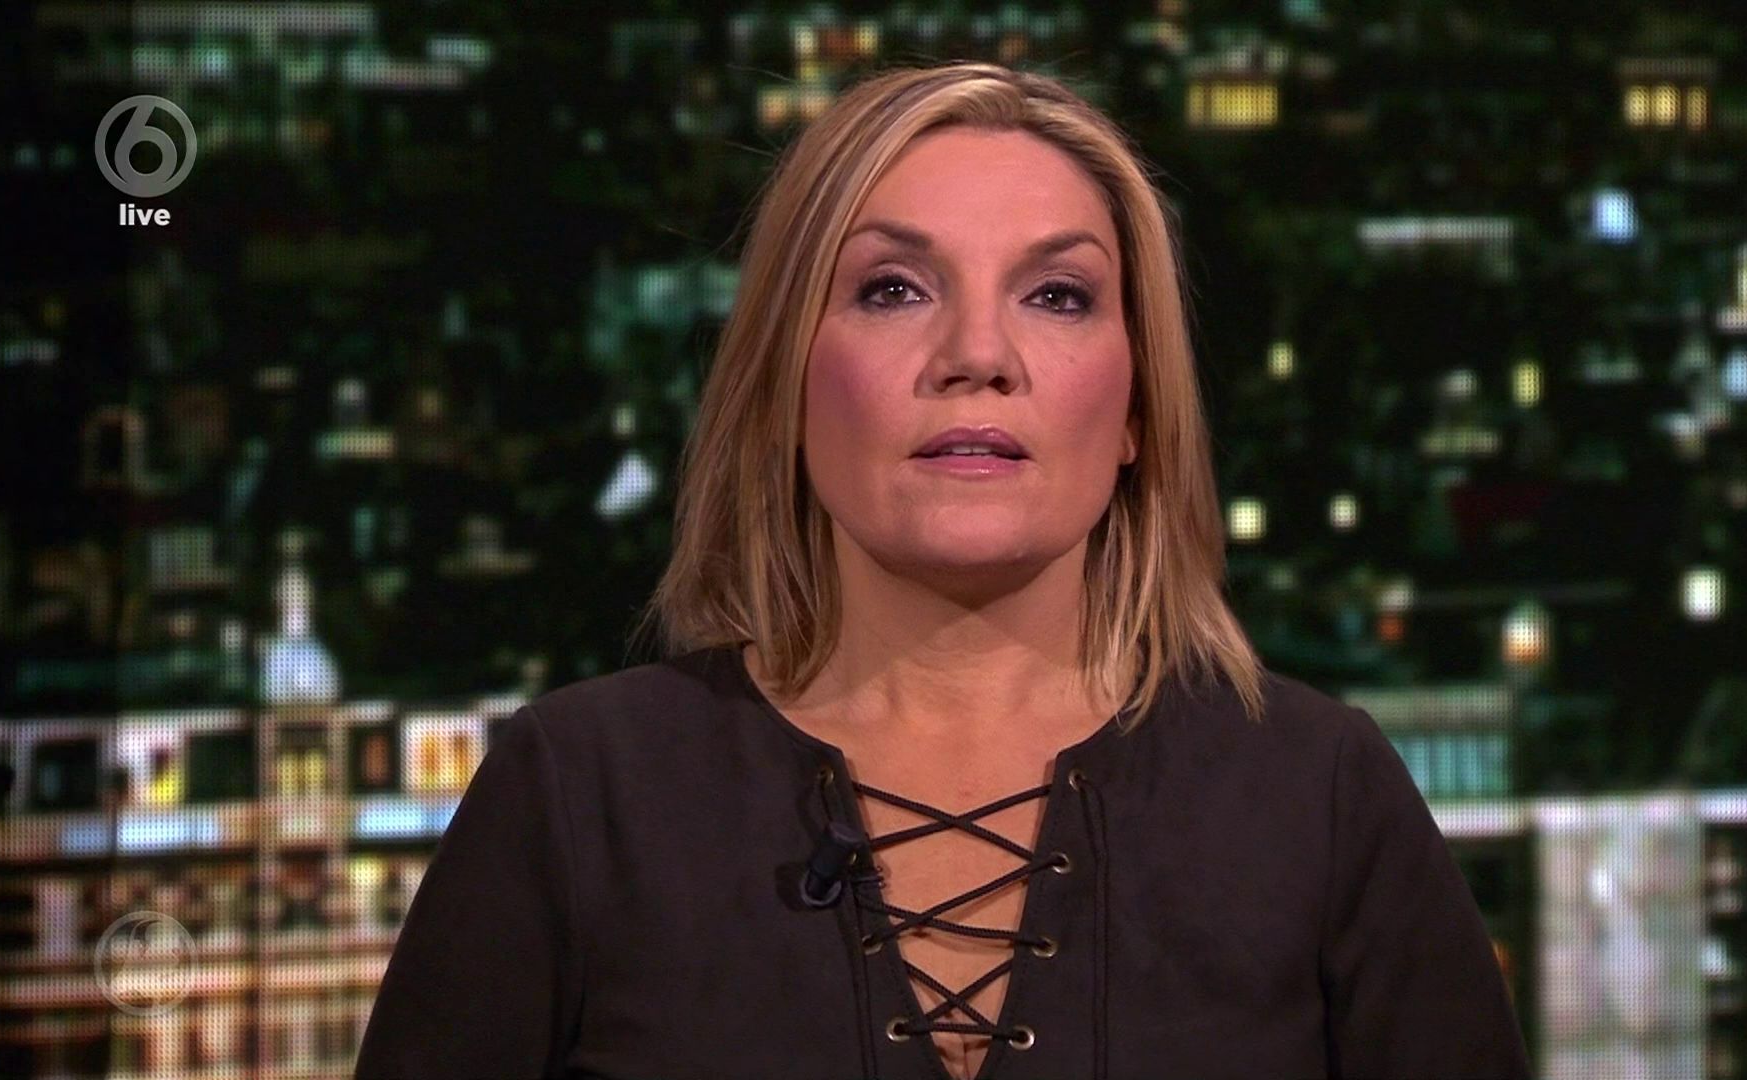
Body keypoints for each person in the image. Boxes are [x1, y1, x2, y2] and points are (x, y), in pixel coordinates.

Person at [353, 60, 1534, 1080]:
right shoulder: (574, 795)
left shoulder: (1323, 799)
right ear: (784, 385)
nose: (977, 354)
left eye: (1058, 295)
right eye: (893, 290)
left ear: (1137, 407)